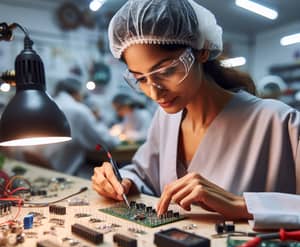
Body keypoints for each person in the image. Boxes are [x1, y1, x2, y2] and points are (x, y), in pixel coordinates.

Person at [92, 0, 300, 220]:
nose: (154, 94)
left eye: (167, 71)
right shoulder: (166, 119)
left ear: (201, 51)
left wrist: (240, 204)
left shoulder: (280, 123)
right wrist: (122, 180)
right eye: (141, 79)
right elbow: (145, 174)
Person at [25, 78, 119, 177]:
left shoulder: (44, 106)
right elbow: (105, 141)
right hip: (59, 173)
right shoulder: (78, 110)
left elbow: (28, 152)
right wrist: (116, 137)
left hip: (38, 169)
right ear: (76, 93)